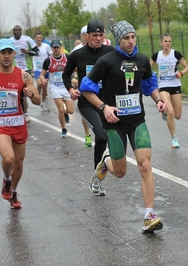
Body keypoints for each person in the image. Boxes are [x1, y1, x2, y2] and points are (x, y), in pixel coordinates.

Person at [80, 20, 166, 231]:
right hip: (114, 123)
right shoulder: (106, 61)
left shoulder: (142, 60)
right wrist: (104, 108)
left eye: (133, 37)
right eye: (126, 38)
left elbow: (149, 86)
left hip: (137, 121)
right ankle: (106, 160)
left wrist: (158, 100)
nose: (130, 41)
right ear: (119, 39)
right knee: (120, 172)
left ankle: (149, 215)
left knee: (145, 165)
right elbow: (86, 88)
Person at [0, 38, 40, 209]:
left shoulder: (23, 75)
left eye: (9, 52)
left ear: (14, 54)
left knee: (18, 163)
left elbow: (38, 100)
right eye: (2, 52)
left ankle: (13, 192)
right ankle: (7, 179)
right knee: (8, 158)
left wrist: (31, 94)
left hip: (18, 123)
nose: (6, 56)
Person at [62, 20, 115, 196]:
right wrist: (70, 88)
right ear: (87, 36)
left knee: (112, 138)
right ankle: (97, 179)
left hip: (106, 103)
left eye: (101, 35)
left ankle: (99, 173)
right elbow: (66, 73)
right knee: (101, 136)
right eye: (95, 36)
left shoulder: (110, 52)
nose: (98, 39)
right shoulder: (78, 54)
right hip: (87, 103)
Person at [150, 33, 188, 148]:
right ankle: (174, 139)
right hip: (163, 86)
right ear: (161, 43)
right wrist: (150, 74)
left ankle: (164, 113)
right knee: (171, 112)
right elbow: (147, 66)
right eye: (165, 41)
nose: (167, 43)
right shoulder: (157, 55)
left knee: (177, 115)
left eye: (169, 41)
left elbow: (187, 67)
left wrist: (181, 73)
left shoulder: (175, 54)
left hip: (175, 85)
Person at [39, 40, 74, 137]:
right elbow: (42, 75)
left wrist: (74, 77)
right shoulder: (48, 60)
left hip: (67, 86)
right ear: (51, 48)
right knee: (61, 109)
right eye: (54, 48)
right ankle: (63, 129)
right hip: (55, 87)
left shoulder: (67, 58)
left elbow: (74, 69)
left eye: (57, 47)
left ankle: (66, 114)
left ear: (61, 47)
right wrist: (43, 80)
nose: (56, 49)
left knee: (71, 111)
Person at [10, 25, 39, 124]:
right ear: (13, 32)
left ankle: (25, 113)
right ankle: (22, 112)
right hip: (14, 69)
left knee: (26, 91)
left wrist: (27, 52)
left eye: (19, 30)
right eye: (15, 30)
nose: (17, 32)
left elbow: (36, 52)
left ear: (21, 31)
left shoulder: (28, 40)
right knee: (19, 92)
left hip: (27, 69)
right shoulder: (10, 41)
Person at [33, 32, 52, 111]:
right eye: (37, 38)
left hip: (46, 69)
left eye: (40, 38)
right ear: (35, 38)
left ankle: (43, 103)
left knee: (44, 88)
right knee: (40, 83)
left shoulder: (46, 46)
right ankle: (38, 95)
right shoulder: (33, 47)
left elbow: (51, 55)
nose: (39, 39)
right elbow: (31, 57)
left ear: (42, 38)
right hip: (37, 69)